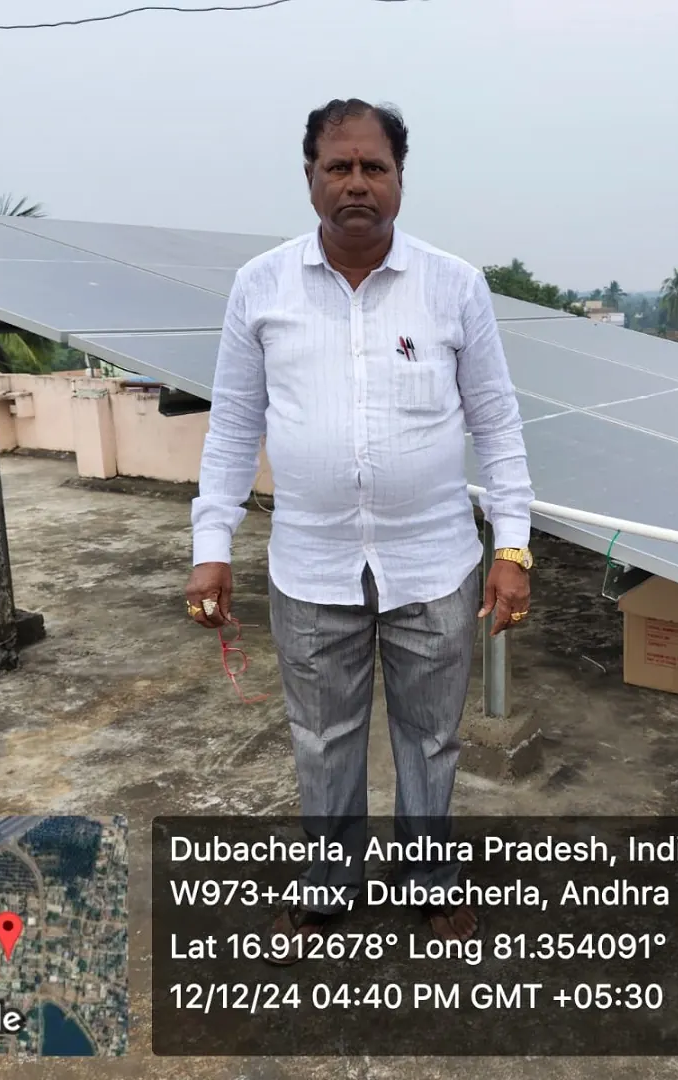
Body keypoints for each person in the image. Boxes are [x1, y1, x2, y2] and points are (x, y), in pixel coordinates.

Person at [184, 99, 535, 954]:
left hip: (435, 563)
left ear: (400, 179)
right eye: (337, 167)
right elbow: (233, 425)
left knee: (432, 737)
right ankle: (329, 883)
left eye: (373, 167)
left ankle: (430, 881)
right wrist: (211, 546)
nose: (355, 183)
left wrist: (513, 545)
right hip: (311, 565)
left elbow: (496, 422)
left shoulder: (454, 286)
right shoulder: (260, 287)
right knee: (322, 738)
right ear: (309, 177)